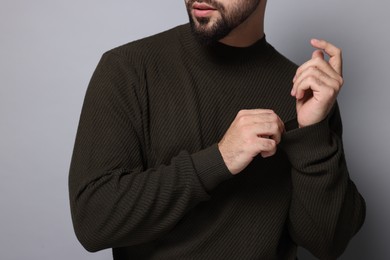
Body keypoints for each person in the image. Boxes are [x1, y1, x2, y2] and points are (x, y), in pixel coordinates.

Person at [69, 0, 366, 259]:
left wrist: (312, 134)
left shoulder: (305, 94)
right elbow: (93, 221)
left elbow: (327, 243)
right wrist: (219, 159)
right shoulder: (128, 70)